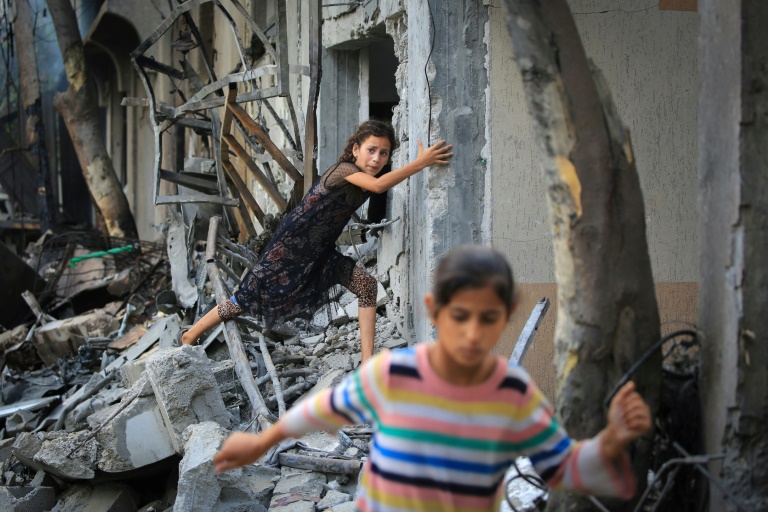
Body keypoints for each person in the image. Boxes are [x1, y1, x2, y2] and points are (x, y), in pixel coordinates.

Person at [213, 245, 652, 511]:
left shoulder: (513, 395)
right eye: (460, 316)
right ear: (434, 309)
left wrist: (613, 439)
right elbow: (323, 409)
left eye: (489, 318)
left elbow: (561, 467)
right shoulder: (395, 375)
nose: (473, 333)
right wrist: (263, 441)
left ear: (508, 316)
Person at [179, 119, 453, 363]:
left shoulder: (366, 176)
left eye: (384, 153)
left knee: (366, 287)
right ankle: (190, 335)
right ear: (355, 149)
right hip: (290, 247)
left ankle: (368, 362)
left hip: (320, 252)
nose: (377, 158)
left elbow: (378, 188)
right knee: (246, 298)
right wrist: (421, 162)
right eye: (371, 150)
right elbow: (380, 186)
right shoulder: (344, 170)